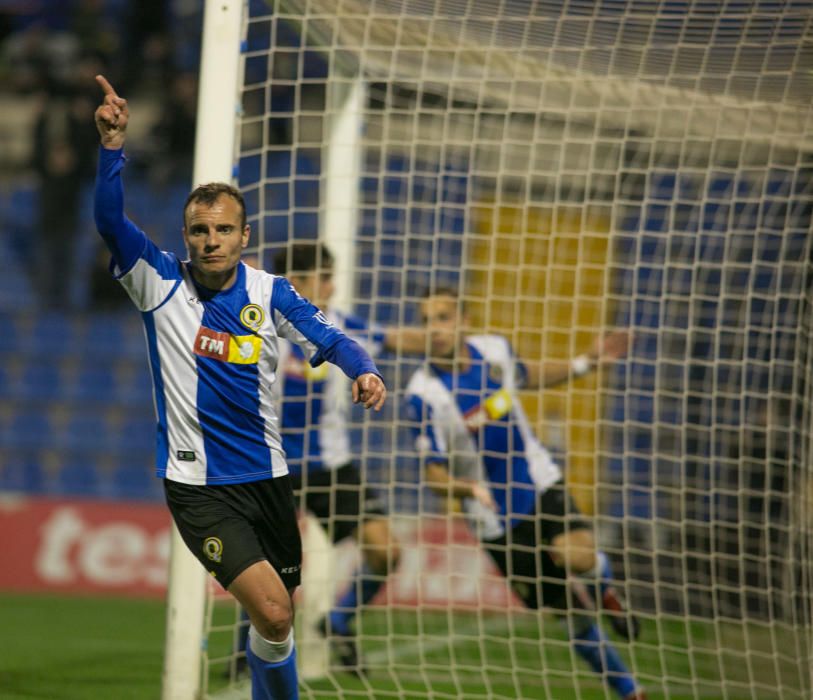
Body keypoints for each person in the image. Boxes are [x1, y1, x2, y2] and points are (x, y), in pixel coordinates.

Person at [92, 75, 387, 700]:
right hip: (200, 488)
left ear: (243, 236)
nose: (211, 241)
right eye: (200, 230)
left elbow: (328, 337)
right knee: (276, 613)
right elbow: (110, 220)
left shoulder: (270, 292)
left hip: (269, 480)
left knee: (273, 624)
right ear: (186, 236)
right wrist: (113, 147)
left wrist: (362, 368)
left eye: (223, 230)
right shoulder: (158, 283)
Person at [404, 288, 646, 700]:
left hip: (537, 478)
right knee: (568, 614)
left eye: (443, 317)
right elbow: (434, 475)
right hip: (493, 518)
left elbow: (529, 374)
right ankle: (628, 690)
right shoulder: (423, 394)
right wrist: (466, 487)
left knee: (579, 554)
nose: (434, 329)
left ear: (464, 320)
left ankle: (604, 587)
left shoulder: (493, 350)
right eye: (426, 321)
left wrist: (586, 363)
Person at [232, 242, 426, 677]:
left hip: (331, 467)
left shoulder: (336, 326)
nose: (333, 286)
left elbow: (396, 338)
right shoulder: (257, 324)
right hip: (271, 465)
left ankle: (338, 621)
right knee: (264, 568)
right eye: (324, 277)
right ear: (297, 283)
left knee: (386, 551)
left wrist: (445, 339)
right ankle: (245, 648)